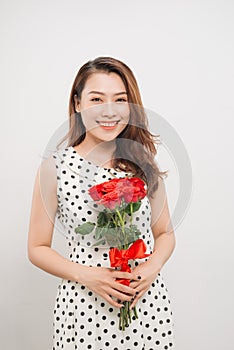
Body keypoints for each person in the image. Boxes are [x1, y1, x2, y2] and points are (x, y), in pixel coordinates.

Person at [28, 56, 176, 350]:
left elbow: (165, 233)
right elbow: (37, 248)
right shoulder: (55, 167)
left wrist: (153, 266)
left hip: (146, 307)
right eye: (97, 99)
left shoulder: (142, 162)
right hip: (84, 309)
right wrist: (89, 276)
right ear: (78, 103)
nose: (109, 111)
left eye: (120, 99)